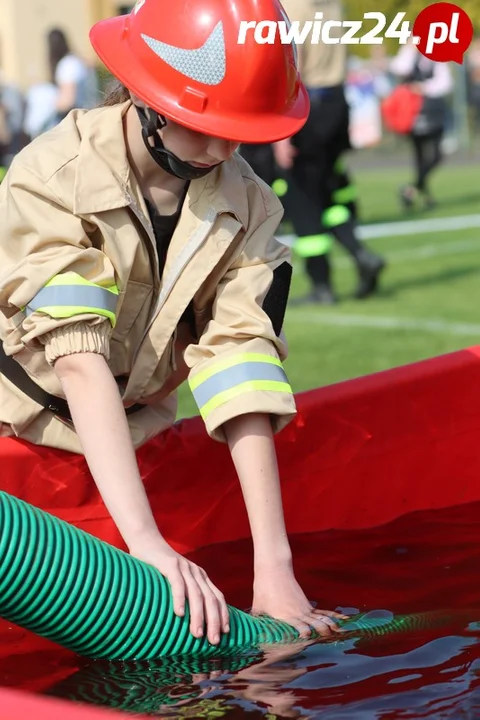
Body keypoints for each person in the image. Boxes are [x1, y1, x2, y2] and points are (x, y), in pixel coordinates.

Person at [0, 0, 347, 647]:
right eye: (204, 125)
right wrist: (148, 545)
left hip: (131, 438)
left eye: (241, 131)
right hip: (17, 434)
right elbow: (79, 359)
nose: (223, 149)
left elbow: (242, 361)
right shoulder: (50, 177)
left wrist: (273, 567)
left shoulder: (250, 207)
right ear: (146, 94)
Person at [272, 0, 385, 305]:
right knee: (327, 194)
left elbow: (293, 66)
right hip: (336, 104)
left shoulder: (294, 8)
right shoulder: (333, 6)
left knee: (302, 199)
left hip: (308, 108)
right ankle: (361, 254)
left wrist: (282, 133)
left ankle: (322, 285)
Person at [390, 41, 453, 210]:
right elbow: (399, 68)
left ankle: (411, 189)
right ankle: (426, 197)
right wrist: (410, 49)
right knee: (419, 157)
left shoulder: (437, 56)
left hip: (433, 112)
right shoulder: (410, 54)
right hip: (412, 113)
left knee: (436, 156)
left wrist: (422, 87)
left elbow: (445, 84)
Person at [44, 27, 99, 130]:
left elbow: (67, 100)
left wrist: (46, 109)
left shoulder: (67, 65)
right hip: (89, 116)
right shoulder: (77, 61)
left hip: (77, 122)